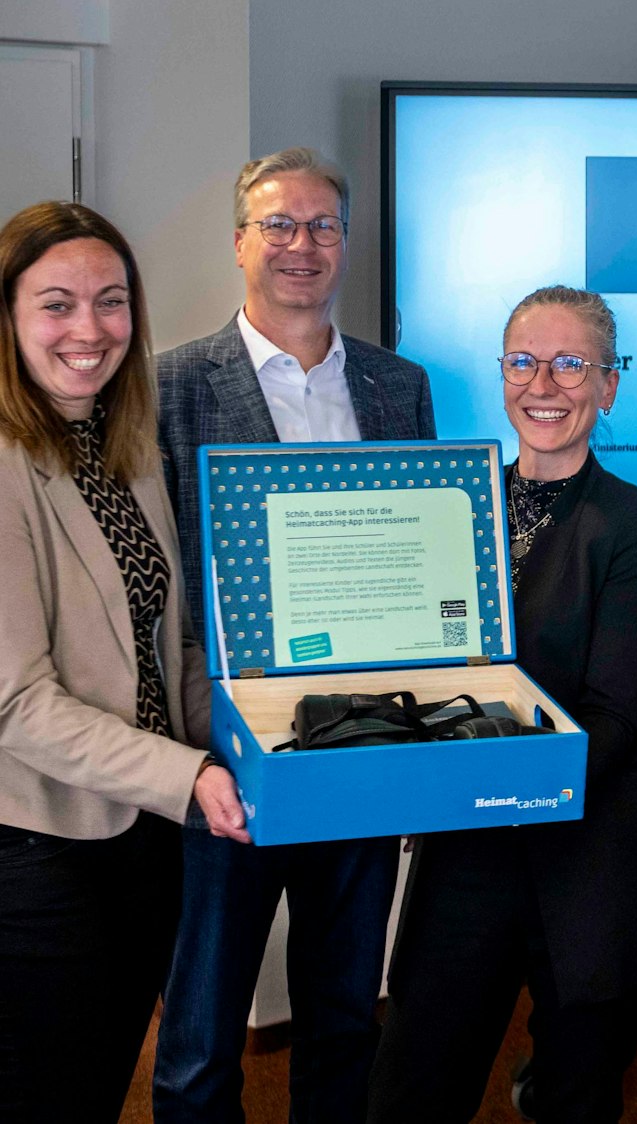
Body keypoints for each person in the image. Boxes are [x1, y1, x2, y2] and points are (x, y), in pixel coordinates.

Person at [152, 147, 437, 1124]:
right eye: (279, 224)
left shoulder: (401, 387)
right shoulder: (171, 389)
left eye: (321, 225)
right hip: (229, 757)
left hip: (357, 747)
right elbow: (163, 595)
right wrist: (204, 740)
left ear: (346, 243)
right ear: (240, 243)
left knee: (344, 1015)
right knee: (199, 1039)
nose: (301, 245)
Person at [365, 285, 637, 1122]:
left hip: (589, 855)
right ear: (502, 377)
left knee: (577, 1093)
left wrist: (500, 783)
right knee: (412, 1086)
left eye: (571, 363)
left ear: (608, 386)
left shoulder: (635, 522)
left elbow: (613, 716)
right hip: (468, 852)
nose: (545, 383)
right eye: (524, 362)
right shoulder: (451, 509)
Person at [0, 201, 249, 1122]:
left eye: (111, 302)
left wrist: (252, 746)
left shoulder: (122, 445)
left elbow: (171, 642)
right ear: (9, 317)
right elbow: (17, 703)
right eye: (57, 304)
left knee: (101, 1078)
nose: (90, 330)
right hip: (37, 850)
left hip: (141, 839)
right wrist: (191, 776)